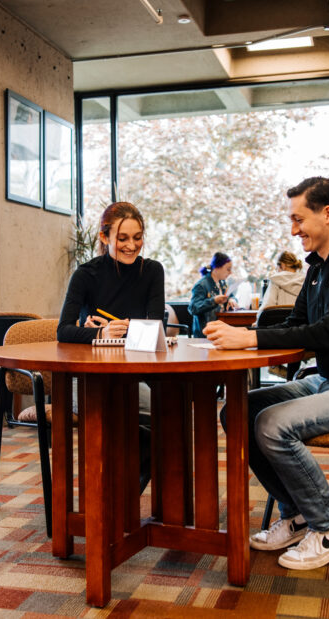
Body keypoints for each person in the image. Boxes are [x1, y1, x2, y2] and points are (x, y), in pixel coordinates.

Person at [204, 177, 329, 571]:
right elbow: (297, 322)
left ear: (327, 214)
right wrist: (244, 337)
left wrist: (247, 340)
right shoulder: (317, 268)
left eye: (299, 220)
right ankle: (297, 514)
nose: (294, 230)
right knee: (237, 411)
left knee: (272, 424)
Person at [57, 201, 164, 491]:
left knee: (171, 416)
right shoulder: (86, 274)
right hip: (92, 378)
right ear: (104, 238)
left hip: (135, 375)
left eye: (137, 237)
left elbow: (154, 327)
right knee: (158, 419)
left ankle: (126, 491)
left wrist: (130, 329)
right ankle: (121, 492)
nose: (132, 245)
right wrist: (100, 334)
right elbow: (63, 330)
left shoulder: (152, 271)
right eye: (123, 238)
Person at [188, 252, 235, 338]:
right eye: (228, 269)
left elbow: (230, 296)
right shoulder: (201, 285)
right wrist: (214, 301)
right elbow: (193, 308)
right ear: (217, 268)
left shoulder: (222, 283)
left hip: (219, 331)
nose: (230, 272)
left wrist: (231, 299)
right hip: (205, 334)